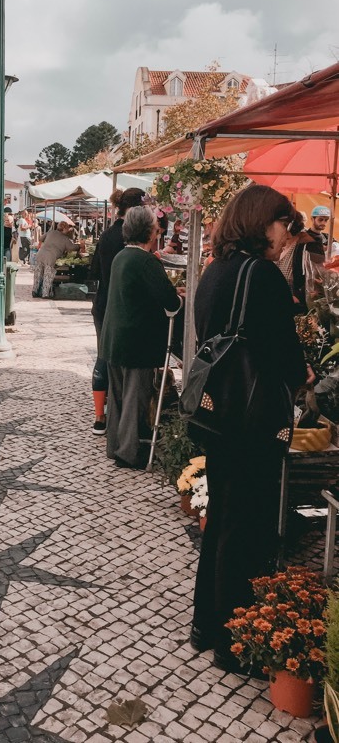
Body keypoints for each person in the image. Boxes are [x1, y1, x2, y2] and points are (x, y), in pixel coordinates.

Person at [190, 184, 309, 675]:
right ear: (265, 222)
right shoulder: (261, 274)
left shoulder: (216, 270)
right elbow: (283, 353)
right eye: (287, 223)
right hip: (251, 418)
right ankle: (234, 642)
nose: (290, 235)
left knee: (222, 516)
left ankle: (205, 624)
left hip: (218, 413)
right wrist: (302, 374)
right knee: (250, 524)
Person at [99, 206, 181, 468]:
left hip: (114, 337)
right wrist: (180, 296)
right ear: (149, 231)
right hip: (137, 340)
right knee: (135, 397)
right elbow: (171, 302)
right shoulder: (146, 261)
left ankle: (116, 447)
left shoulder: (121, 257)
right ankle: (129, 453)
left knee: (119, 396)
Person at [89, 188, 145, 435]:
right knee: (117, 360)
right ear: (135, 210)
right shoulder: (130, 237)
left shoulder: (107, 235)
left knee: (104, 355)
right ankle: (118, 417)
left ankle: (100, 416)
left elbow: (93, 272)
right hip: (123, 305)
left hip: (102, 303)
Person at [275, 210, 323, 312]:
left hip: (296, 303)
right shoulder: (278, 243)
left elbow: (316, 277)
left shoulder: (309, 244)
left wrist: (299, 296)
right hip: (278, 298)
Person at [33, 222, 80, 298]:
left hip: (40, 254)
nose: (68, 231)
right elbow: (72, 247)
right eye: (67, 229)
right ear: (64, 229)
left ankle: (34, 291)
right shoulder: (65, 238)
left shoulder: (51, 232)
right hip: (50, 257)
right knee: (48, 275)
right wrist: (79, 246)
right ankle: (45, 294)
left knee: (38, 274)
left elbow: (41, 238)